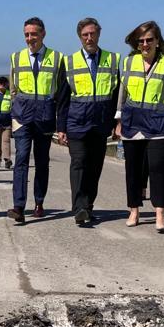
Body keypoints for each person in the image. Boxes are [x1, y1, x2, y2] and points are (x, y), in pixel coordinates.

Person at [115, 21, 164, 231]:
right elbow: (121, 96)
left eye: (149, 40)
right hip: (132, 122)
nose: (145, 44)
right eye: (141, 41)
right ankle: (134, 210)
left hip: (158, 121)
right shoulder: (128, 63)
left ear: (157, 42)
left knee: (159, 169)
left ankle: (160, 213)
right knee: (132, 170)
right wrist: (118, 121)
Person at [7, 17, 70, 223]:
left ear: (43, 34)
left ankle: (39, 202)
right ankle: (18, 206)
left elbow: (61, 93)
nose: (30, 38)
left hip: (44, 116)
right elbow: (13, 89)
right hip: (22, 117)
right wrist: (16, 110)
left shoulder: (58, 58)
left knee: (42, 162)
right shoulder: (16, 57)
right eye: (26, 34)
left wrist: (61, 124)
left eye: (33, 34)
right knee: (21, 159)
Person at [58, 18, 120, 226]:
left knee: (95, 167)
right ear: (80, 37)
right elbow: (63, 98)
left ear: (99, 34)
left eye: (92, 34)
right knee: (79, 163)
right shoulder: (69, 62)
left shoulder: (112, 60)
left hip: (101, 123)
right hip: (77, 122)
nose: (89, 38)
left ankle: (88, 205)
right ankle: (79, 208)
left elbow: (116, 95)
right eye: (85, 35)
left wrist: (116, 122)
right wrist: (61, 127)